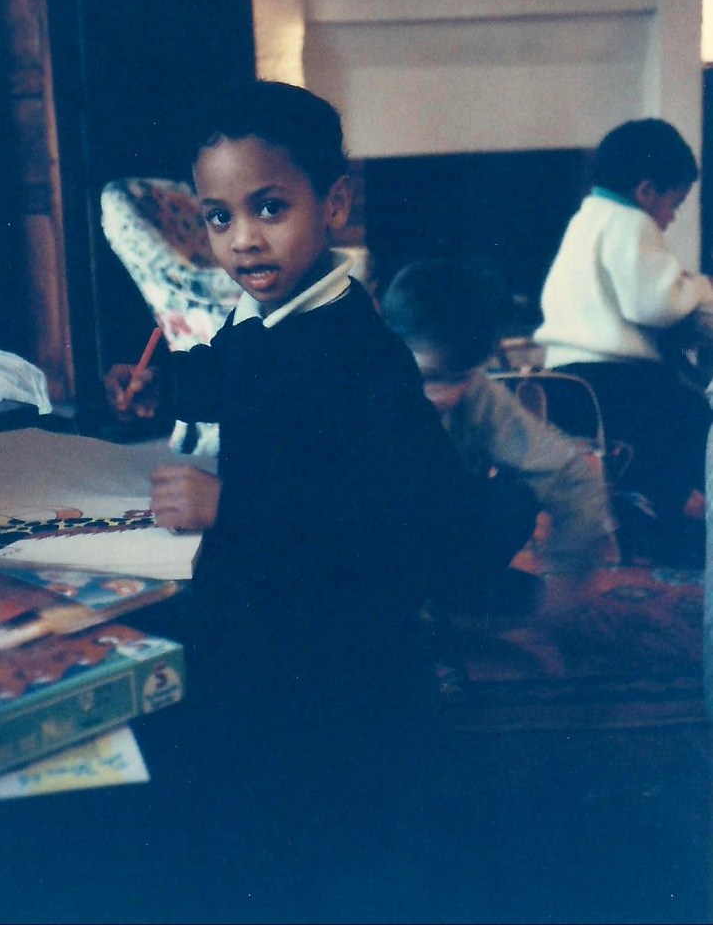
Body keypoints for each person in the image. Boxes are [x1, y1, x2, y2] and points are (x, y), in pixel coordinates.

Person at [107, 81, 470, 867]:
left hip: (338, 639)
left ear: (334, 204)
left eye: (270, 208)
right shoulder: (264, 313)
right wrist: (166, 387)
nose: (243, 240)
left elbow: (377, 503)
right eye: (219, 217)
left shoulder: (354, 347)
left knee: (317, 811)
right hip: (269, 596)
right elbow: (233, 375)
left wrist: (230, 504)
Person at [380, 256, 619, 618]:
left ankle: (446, 598)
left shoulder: (478, 395)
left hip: (431, 542)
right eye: (427, 377)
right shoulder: (353, 386)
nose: (440, 397)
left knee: (514, 500)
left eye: (457, 379)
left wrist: (566, 584)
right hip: (365, 550)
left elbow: (570, 474)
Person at [533, 117, 713, 564]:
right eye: (674, 203)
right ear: (646, 191)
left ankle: (651, 519)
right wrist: (699, 287)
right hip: (613, 379)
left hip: (565, 380)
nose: (671, 218)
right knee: (695, 416)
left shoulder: (586, 219)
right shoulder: (632, 223)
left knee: (653, 446)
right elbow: (655, 304)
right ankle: (685, 530)